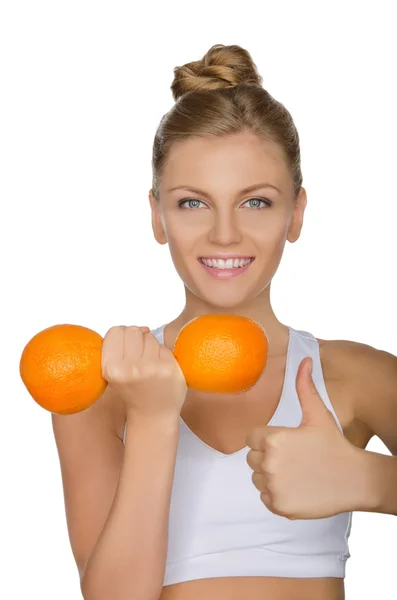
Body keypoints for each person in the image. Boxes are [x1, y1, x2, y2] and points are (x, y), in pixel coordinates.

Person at [52, 44, 397, 600]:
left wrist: (373, 481)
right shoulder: (100, 385)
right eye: (193, 203)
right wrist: (153, 421)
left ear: (296, 213)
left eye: (256, 202)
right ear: (157, 215)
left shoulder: (355, 376)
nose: (224, 235)